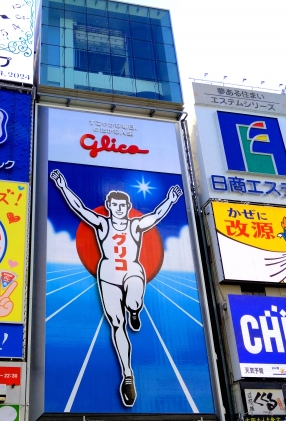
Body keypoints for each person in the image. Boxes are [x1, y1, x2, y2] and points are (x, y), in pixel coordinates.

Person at [50, 169, 182, 407]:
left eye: (123, 205)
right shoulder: (102, 224)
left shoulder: (135, 225)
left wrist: (170, 200)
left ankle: (134, 310)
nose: (119, 208)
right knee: (116, 324)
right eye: (115, 205)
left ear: (128, 206)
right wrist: (62, 186)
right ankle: (128, 375)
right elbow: (80, 208)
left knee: (133, 301)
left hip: (132, 270)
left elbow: (156, 216)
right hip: (108, 274)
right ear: (109, 206)